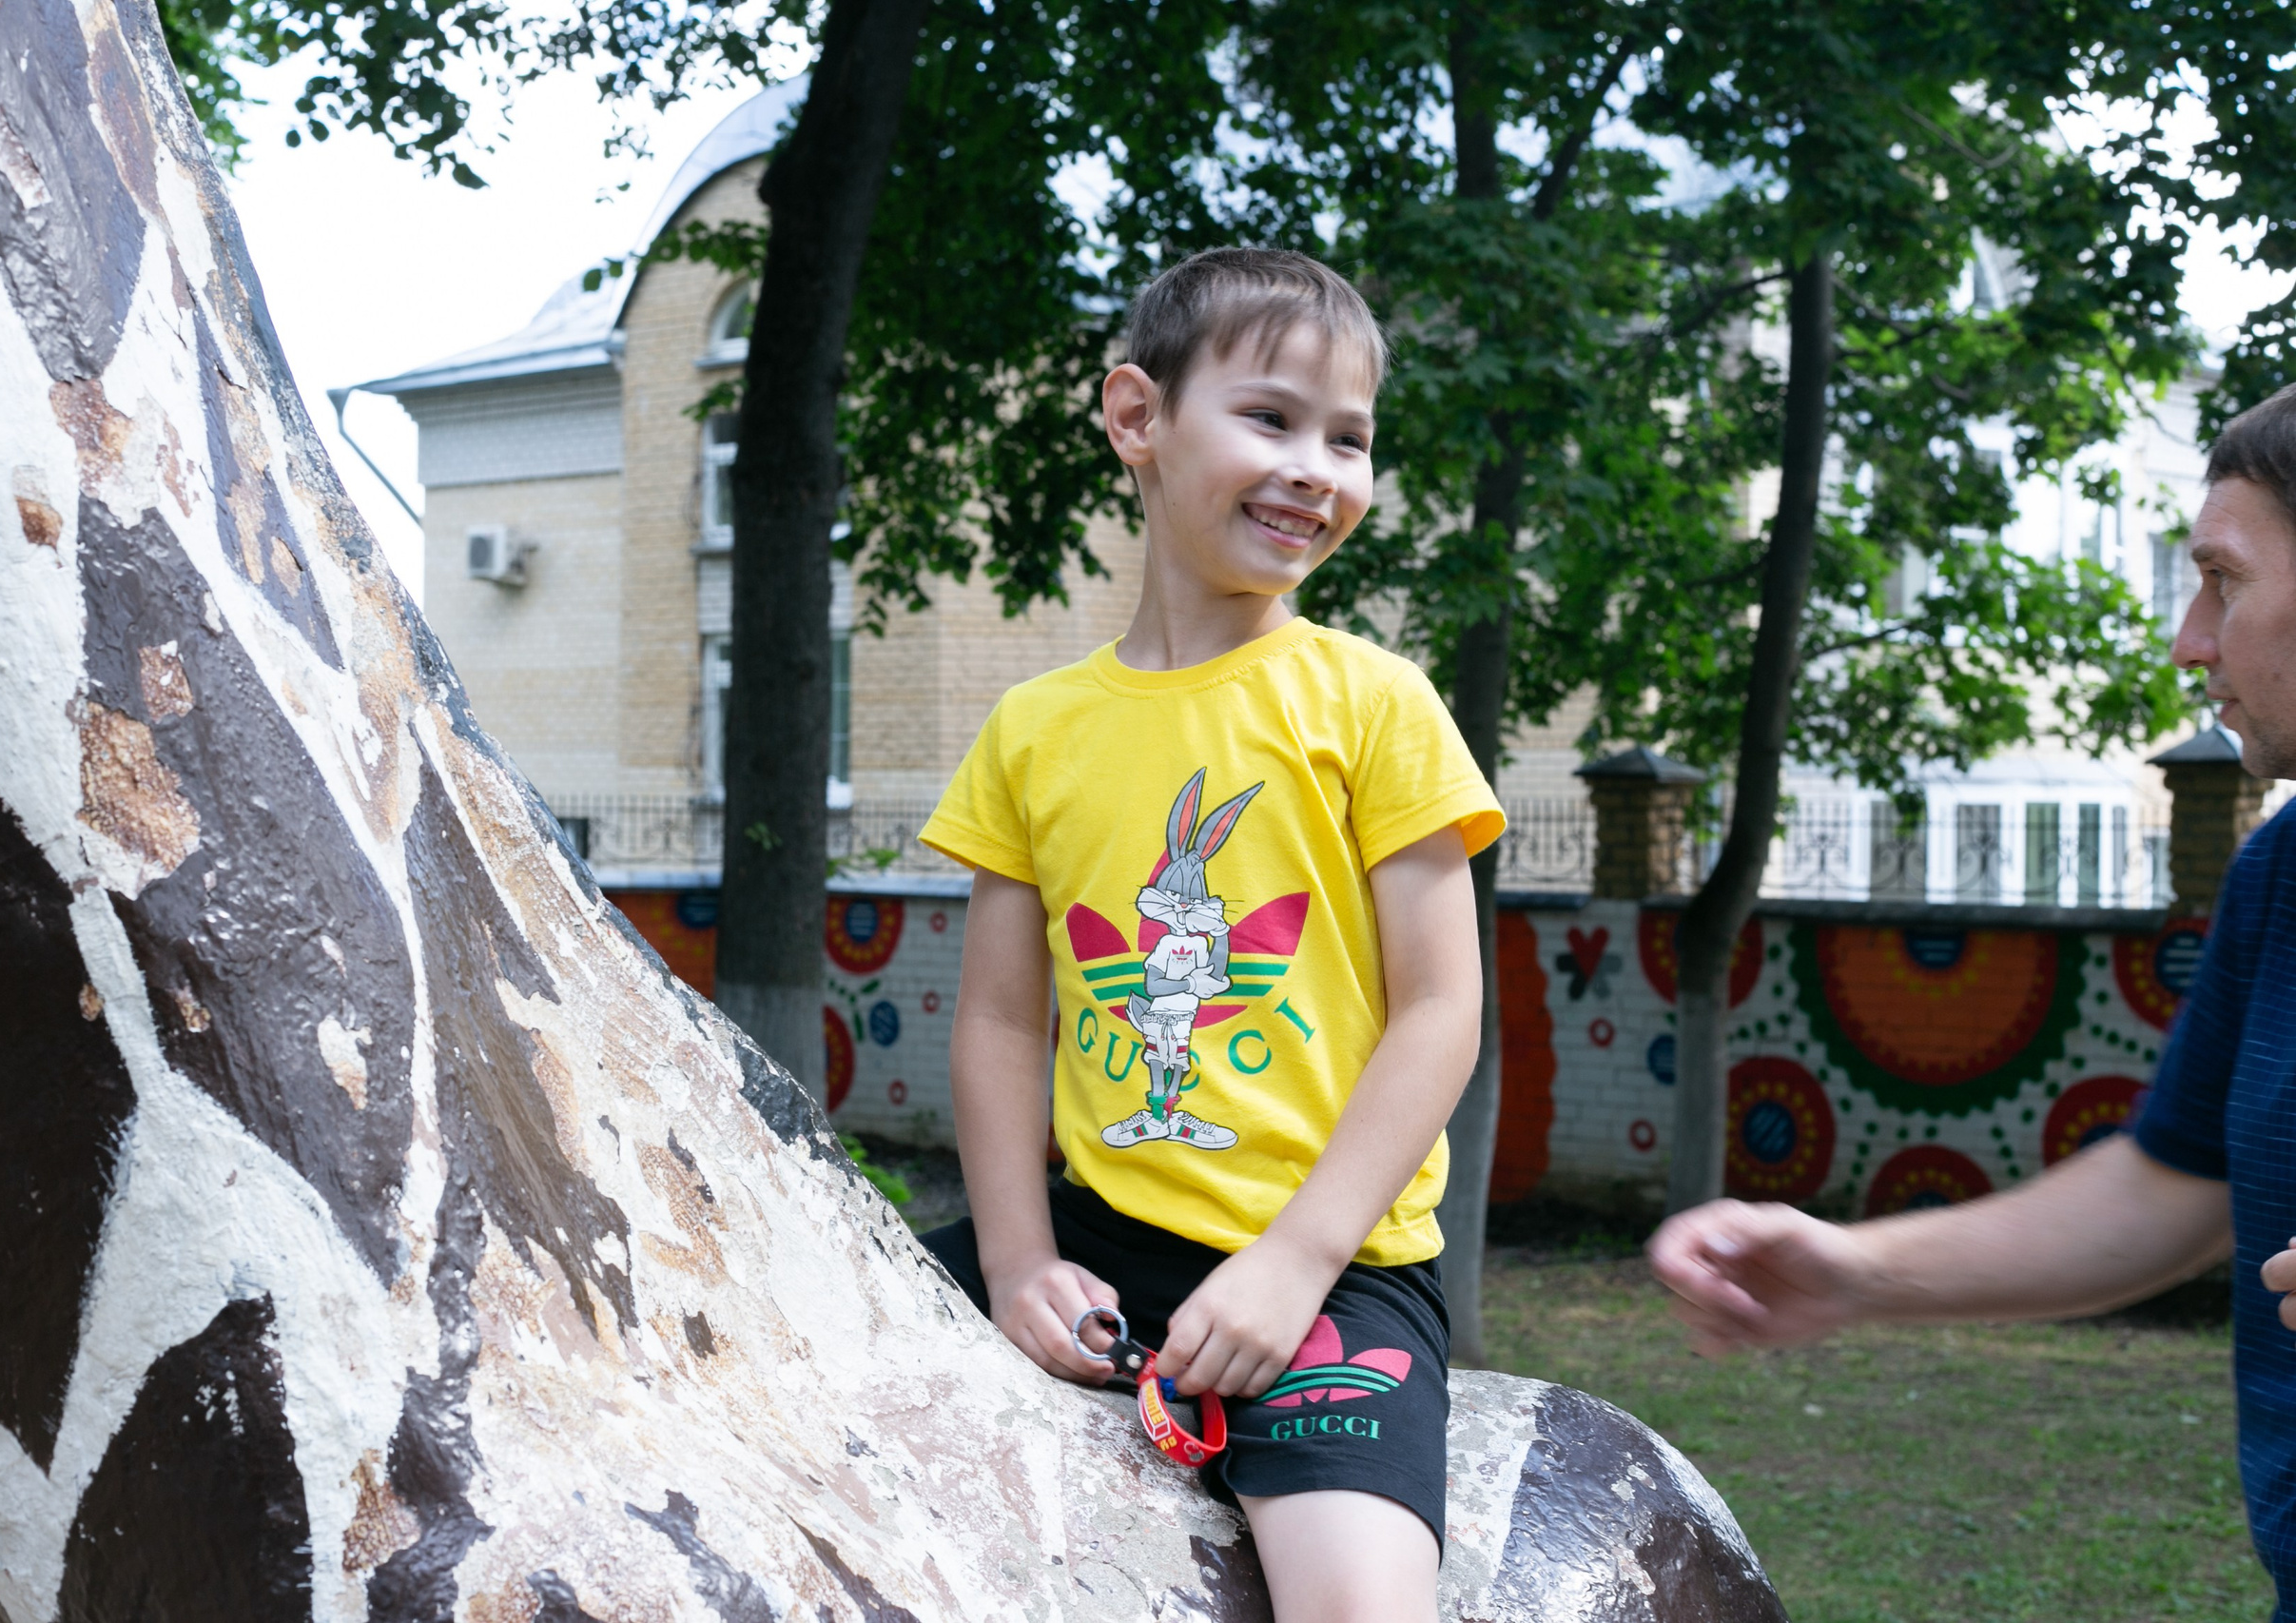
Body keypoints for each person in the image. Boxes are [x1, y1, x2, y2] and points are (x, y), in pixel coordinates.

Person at [915, 247, 1505, 1623]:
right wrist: (1016, 1259)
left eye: (1349, 439)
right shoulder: (1031, 732)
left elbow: (1442, 1012)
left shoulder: (1377, 703)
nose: (1316, 469)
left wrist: (1293, 1264)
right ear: (1138, 417)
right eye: (1272, 418)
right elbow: (999, 1020)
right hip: (1099, 1233)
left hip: (1332, 1264)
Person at [1648, 382, 2296, 1614]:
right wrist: (1857, 1267)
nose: (2188, 640)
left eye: (2224, 579)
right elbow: (2173, 1186)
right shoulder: (2279, 876)